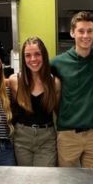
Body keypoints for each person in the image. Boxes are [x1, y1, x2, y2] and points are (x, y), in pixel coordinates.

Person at [51, 11, 93, 177]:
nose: (85, 35)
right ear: (72, 32)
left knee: (91, 182)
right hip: (67, 134)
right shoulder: (57, 63)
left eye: (90, 31)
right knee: (68, 183)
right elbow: (34, 73)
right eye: (81, 31)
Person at [9, 37, 60, 166]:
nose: (33, 59)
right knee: (26, 180)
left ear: (44, 55)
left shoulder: (54, 83)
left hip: (47, 138)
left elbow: (59, 111)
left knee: (44, 180)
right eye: (28, 55)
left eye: (37, 54)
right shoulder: (15, 81)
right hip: (22, 137)